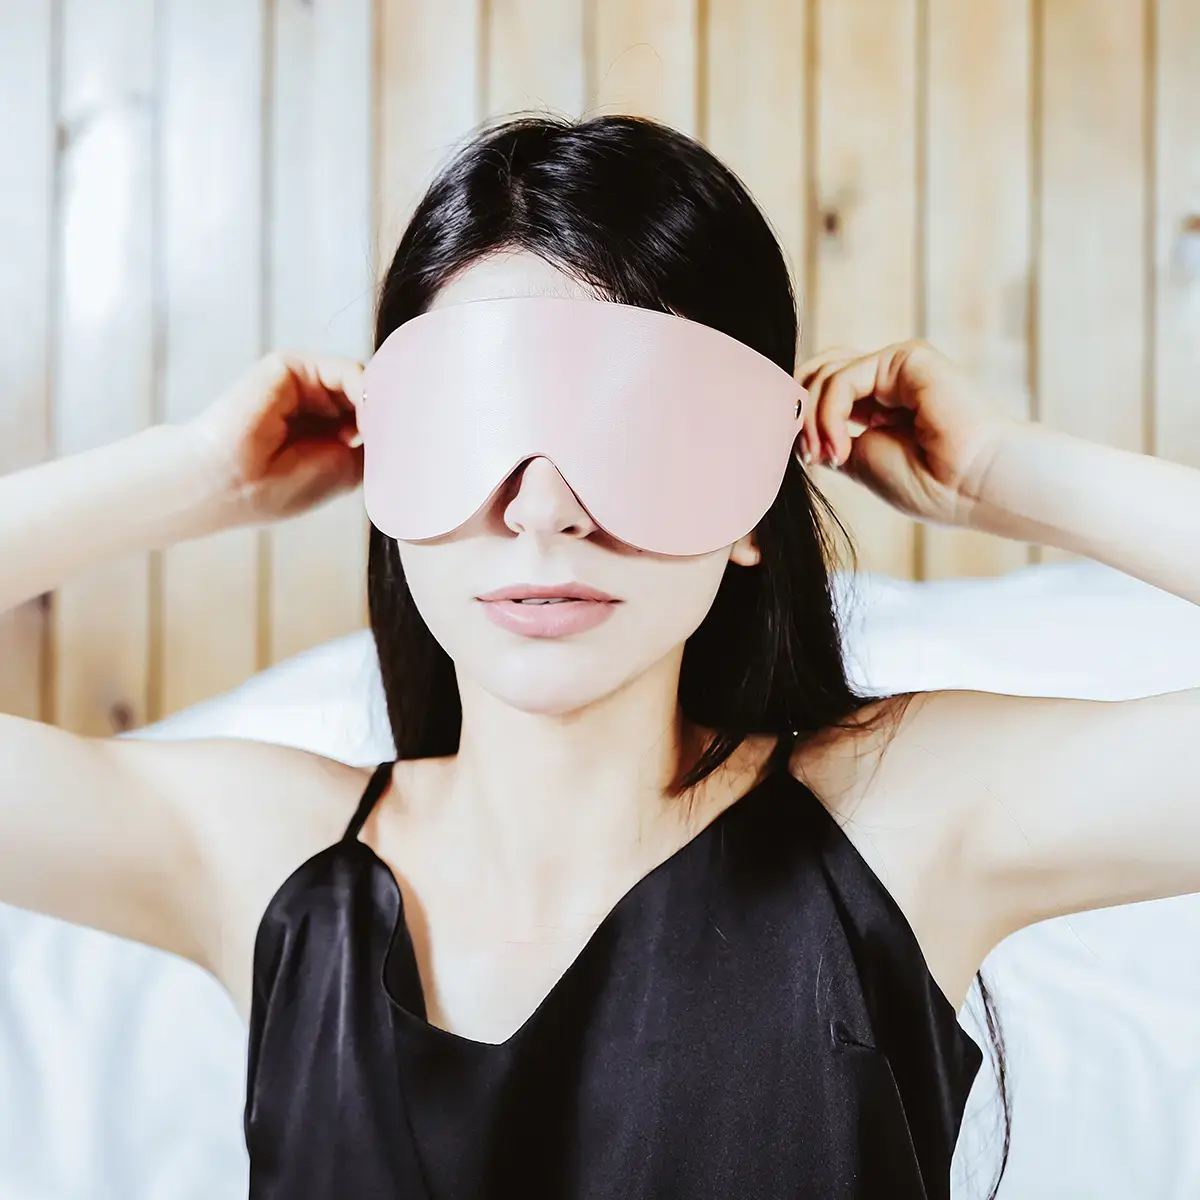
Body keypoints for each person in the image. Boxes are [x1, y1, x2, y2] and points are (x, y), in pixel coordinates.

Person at [1, 114, 1197, 1200]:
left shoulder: (908, 818)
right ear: (387, 457)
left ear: (757, 493)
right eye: (475, 425)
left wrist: (1001, 471)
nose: (545, 510)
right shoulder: (260, 858)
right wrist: (195, 472)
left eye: (636, 428)